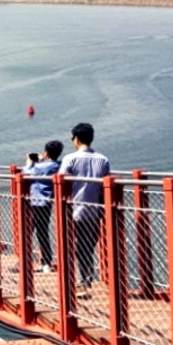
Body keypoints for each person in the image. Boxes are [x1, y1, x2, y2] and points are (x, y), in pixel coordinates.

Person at [59, 123, 109, 289]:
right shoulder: (103, 160)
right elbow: (106, 186)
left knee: (80, 246)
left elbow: (60, 182)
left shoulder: (70, 159)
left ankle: (84, 279)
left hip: (74, 209)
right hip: (96, 210)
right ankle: (87, 276)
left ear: (77, 139)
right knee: (88, 244)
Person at [23, 140, 63, 272]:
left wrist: (30, 163)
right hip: (47, 202)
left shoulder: (40, 167)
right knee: (39, 230)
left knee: (38, 231)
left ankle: (45, 261)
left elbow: (26, 173)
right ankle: (42, 260)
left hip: (37, 202)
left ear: (46, 152)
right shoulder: (59, 165)